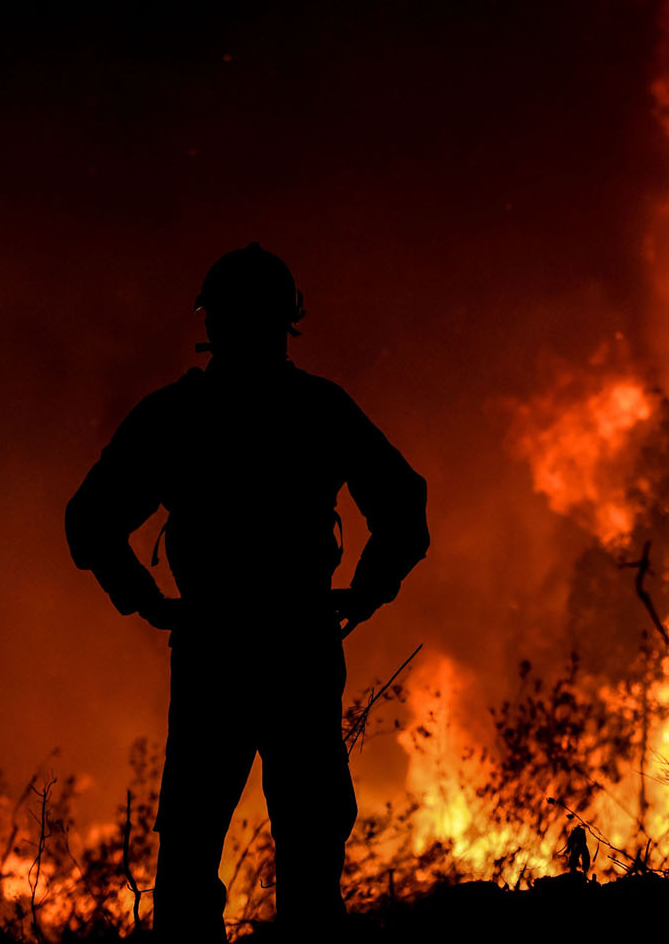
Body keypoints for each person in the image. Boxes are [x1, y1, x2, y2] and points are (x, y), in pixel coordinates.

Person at [65, 243, 429, 941]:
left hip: (215, 646)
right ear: (286, 321)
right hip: (298, 642)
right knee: (309, 835)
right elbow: (402, 505)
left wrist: (144, 597)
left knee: (196, 834)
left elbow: (91, 522)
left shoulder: (176, 416)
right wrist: (366, 590)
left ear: (212, 320)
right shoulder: (318, 409)